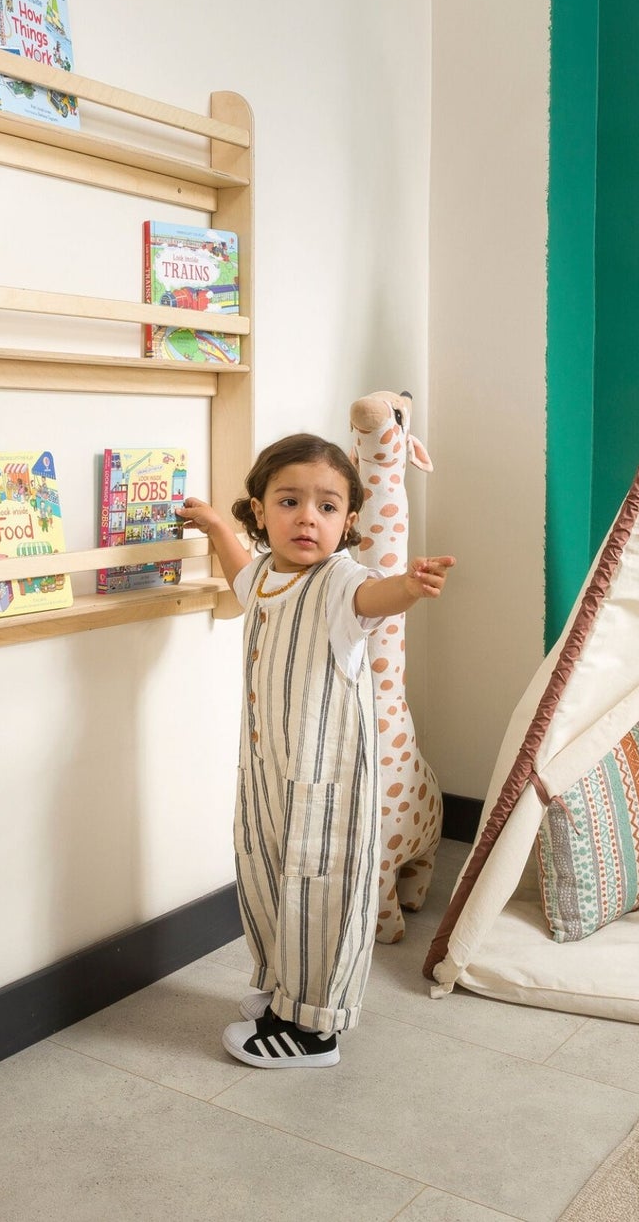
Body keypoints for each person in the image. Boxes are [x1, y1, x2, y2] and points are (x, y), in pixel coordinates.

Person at [178, 433, 455, 1069]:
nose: (308, 517)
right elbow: (240, 578)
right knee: (271, 876)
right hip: (270, 775)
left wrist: (408, 587)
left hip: (325, 786)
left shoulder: (340, 583)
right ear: (261, 511)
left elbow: (373, 599)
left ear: (349, 522)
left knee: (320, 892)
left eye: (327, 507)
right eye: (290, 501)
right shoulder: (271, 578)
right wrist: (216, 524)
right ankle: (285, 996)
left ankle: (315, 1030)